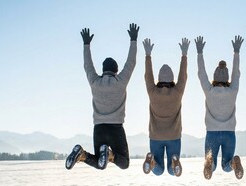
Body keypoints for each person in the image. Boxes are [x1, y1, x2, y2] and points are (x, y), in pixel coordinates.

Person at [65, 23, 139, 170]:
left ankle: (82, 154)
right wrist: (133, 40)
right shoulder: (120, 82)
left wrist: (86, 44)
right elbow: (131, 63)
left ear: (103, 70)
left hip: (99, 128)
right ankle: (110, 155)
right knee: (124, 163)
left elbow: (87, 66)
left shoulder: (95, 82)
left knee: (100, 163)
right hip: (115, 128)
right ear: (116, 71)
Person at [194, 36, 244, 180]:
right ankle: (234, 163)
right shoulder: (233, 90)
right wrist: (236, 52)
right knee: (226, 166)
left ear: (214, 77)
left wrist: (199, 53)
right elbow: (236, 73)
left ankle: (209, 161)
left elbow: (201, 73)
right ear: (227, 78)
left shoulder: (209, 90)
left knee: (212, 165)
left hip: (212, 133)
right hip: (229, 133)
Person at [141, 37, 190, 177]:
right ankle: (174, 162)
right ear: (172, 79)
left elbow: (147, 76)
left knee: (159, 171)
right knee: (170, 170)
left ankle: (153, 163)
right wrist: (184, 55)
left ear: (159, 79)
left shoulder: (153, 92)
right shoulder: (177, 92)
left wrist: (148, 56)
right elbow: (183, 77)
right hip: (174, 136)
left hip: (156, 136)